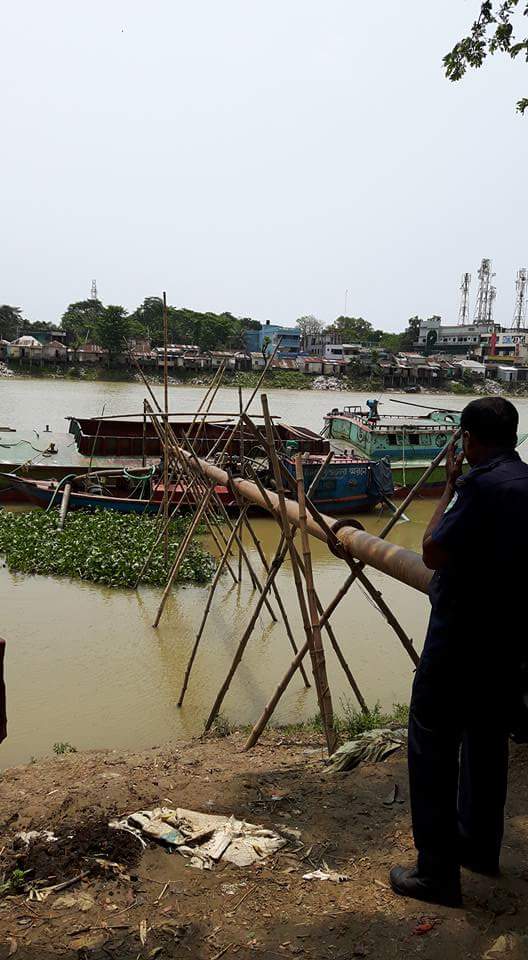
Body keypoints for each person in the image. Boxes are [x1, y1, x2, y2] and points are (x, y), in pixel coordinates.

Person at [390, 397, 528, 908]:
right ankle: (478, 848)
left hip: (459, 643)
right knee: (488, 743)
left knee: (432, 747)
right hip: (507, 644)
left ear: (468, 439)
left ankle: (437, 874)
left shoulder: (479, 486)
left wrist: (446, 487)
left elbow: (432, 550)